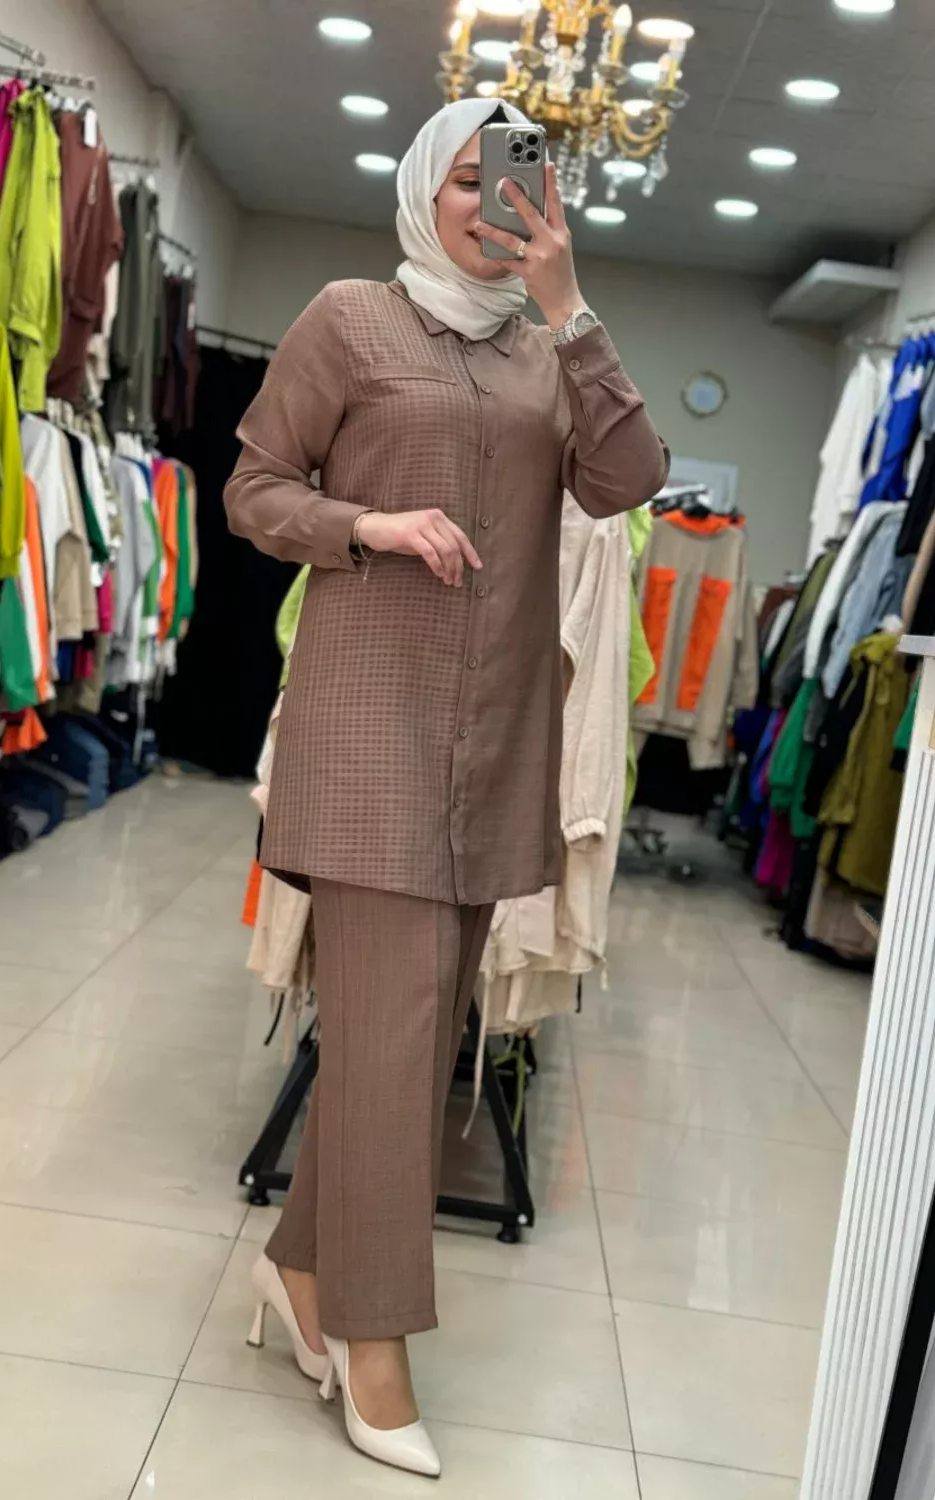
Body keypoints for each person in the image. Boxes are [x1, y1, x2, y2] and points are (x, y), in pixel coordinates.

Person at [225, 97, 667, 1478]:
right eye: (468, 180)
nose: (492, 205)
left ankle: (299, 1270)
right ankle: (374, 1346)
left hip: (494, 748)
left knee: (405, 1052)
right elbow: (253, 490)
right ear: (426, 189)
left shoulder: (546, 354)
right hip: (368, 734)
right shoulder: (351, 320)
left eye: (515, 183)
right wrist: (364, 522)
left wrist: (571, 305)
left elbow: (630, 478)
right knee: (396, 1047)